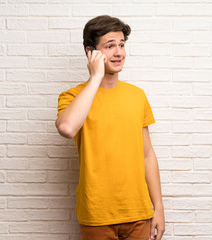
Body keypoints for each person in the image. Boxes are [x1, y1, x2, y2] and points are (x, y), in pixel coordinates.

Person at [55, 15, 165, 240]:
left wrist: (159, 208)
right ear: (90, 52)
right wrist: (96, 77)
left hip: (139, 214)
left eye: (122, 45)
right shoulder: (72, 97)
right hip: (97, 215)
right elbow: (67, 128)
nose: (119, 53)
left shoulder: (137, 95)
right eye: (110, 46)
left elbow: (147, 155)